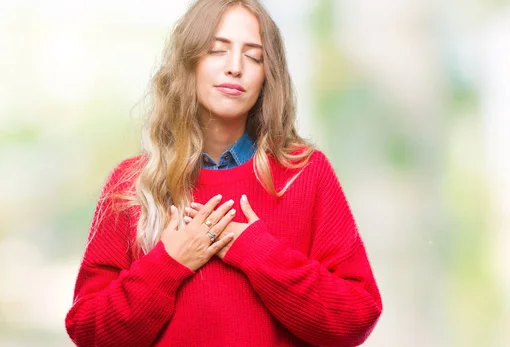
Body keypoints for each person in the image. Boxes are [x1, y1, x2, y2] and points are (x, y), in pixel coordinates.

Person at [65, 0, 382, 346]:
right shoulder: (131, 184)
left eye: (253, 56)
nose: (235, 67)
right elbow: (89, 332)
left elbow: (355, 317)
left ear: (267, 76)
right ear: (189, 63)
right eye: (217, 50)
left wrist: (256, 251)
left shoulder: (305, 173)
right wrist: (169, 263)